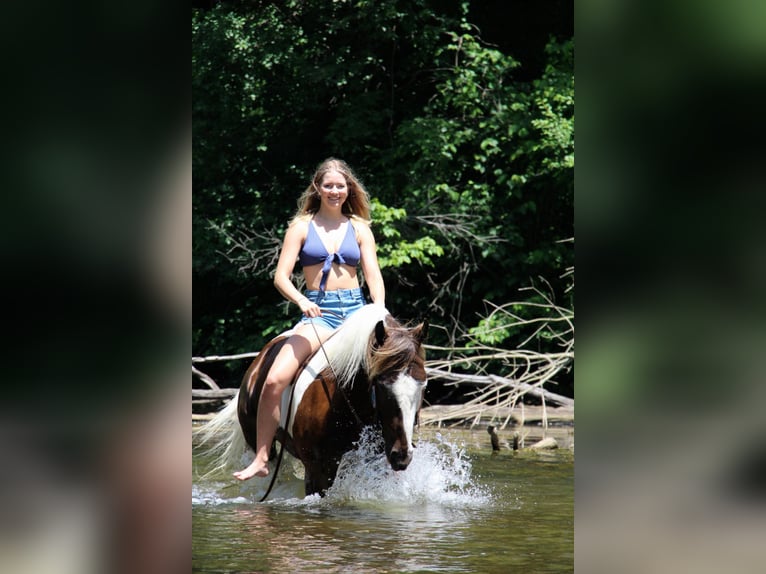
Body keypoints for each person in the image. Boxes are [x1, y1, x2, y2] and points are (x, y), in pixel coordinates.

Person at [234, 158, 385, 480]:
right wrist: (302, 300)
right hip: (321, 312)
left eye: (340, 186)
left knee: (395, 374)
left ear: (349, 189)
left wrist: (379, 309)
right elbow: (281, 277)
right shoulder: (301, 227)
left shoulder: (360, 228)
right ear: (317, 188)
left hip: (357, 313)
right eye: (328, 185)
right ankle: (262, 457)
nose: (334, 191)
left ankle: (399, 448)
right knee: (275, 379)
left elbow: (373, 274)